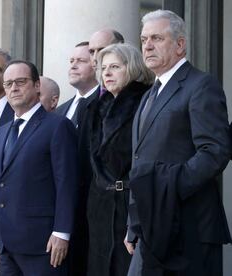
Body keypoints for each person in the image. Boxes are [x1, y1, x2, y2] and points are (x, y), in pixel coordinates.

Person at [125, 10, 231, 276]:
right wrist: (135, 222)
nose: (147, 45)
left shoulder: (201, 85)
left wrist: (166, 194)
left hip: (189, 229)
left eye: (157, 38)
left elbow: (215, 152)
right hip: (152, 229)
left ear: (180, 45)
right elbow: (140, 162)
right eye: (144, 39)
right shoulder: (150, 93)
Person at [0, 60, 78, 275]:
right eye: (8, 84)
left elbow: (67, 184)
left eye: (20, 81)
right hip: (5, 244)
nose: (13, 88)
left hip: (43, 244)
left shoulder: (57, 126)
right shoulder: (1, 132)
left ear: (37, 86)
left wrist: (62, 232)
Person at [80, 43, 153, 276]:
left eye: (115, 67)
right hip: (100, 204)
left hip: (132, 203)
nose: (107, 73)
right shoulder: (96, 108)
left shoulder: (146, 101)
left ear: (131, 68)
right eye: (104, 68)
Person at [56, 42, 97, 128]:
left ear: (96, 65)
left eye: (81, 61)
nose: (73, 66)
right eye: (71, 61)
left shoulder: (106, 103)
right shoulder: (59, 111)